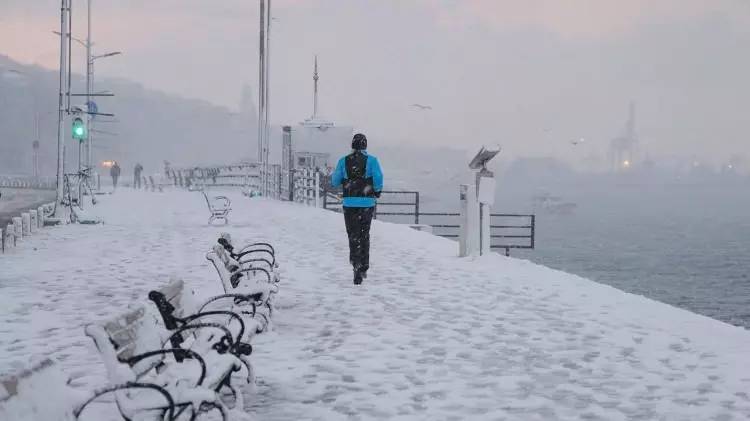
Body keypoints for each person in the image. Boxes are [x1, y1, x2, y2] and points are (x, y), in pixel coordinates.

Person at [331, 133, 384, 285]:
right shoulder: (372, 160)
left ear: (352, 145)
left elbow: (335, 181)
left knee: (353, 235)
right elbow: (378, 178)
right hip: (367, 203)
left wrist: (345, 179)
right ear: (365, 145)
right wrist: (377, 190)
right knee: (364, 234)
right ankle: (364, 267)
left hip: (349, 203)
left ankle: (356, 265)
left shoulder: (343, 161)